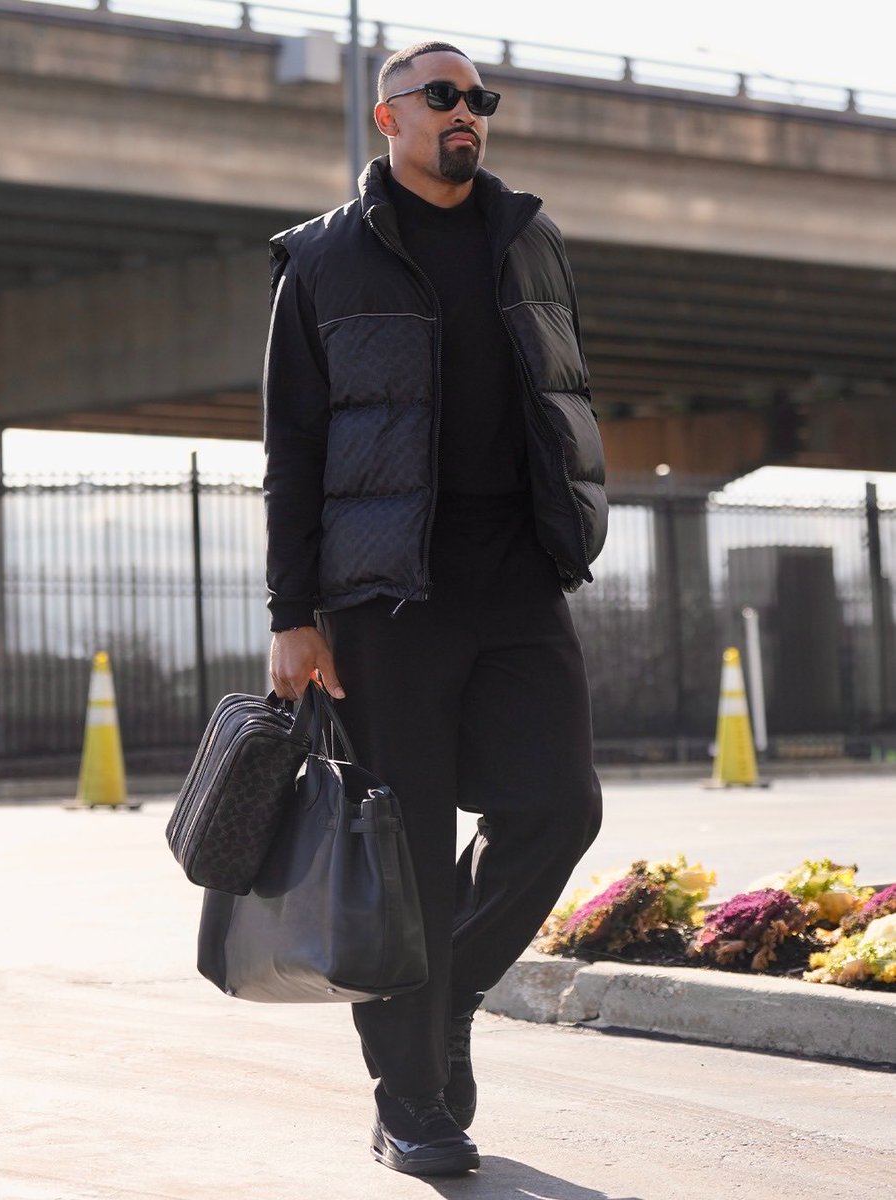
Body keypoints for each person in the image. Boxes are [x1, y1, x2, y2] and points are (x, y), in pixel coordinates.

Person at [263, 40, 608, 1177]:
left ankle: (445, 993)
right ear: (389, 117)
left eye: (481, 101)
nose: (470, 115)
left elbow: (564, 402)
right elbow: (294, 448)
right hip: (382, 600)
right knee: (402, 848)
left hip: (515, 577)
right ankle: (411, 1096)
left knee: (559, 806)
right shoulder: (321, 259)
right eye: (445, 97)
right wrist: (292, 613)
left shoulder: (531, 239)